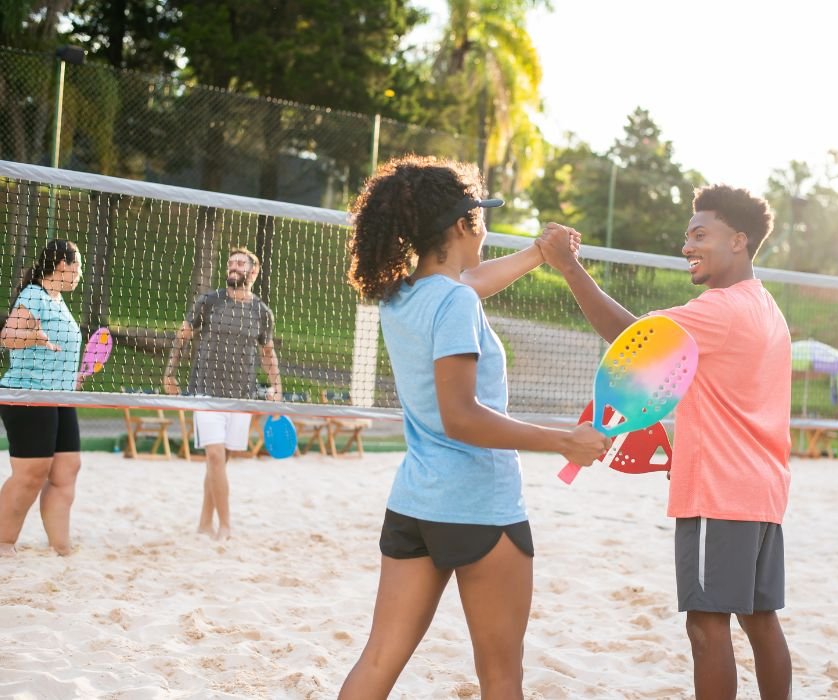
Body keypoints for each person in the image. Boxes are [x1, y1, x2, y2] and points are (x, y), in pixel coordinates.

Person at [338, 155, 610, 700]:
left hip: (416, 503)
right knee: (501, 677)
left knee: (377, 661)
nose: (485, 228)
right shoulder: (455, 301)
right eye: (481, 217)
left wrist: (538, 254)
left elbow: (470, 282)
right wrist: (564, 441)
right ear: (464, 224)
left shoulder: (403, 295)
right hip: (479, 506)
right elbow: (460, 417)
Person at [537, 185, 793, 700]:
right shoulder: (767, 308)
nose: (686, 246)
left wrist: (568, 266)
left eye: (700, 235)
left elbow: (632, 341)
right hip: (763, 492)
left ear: (739, 241)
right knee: (760, 620)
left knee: (705, 625)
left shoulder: (718, 309)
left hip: (717, 492)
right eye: (687, 235)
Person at [162, 247, 281, 541]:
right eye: (230, 263)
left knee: (221, 461)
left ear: (253, 272)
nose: (233, 267)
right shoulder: (209, 301)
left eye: (240, 263)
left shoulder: (261, 312)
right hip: (206, 391)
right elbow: (183, 335)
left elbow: (267, 352)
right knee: (215, 456)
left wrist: (277, 385)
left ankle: (204, 521)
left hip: (240, 395)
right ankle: (225, 525)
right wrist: (169, 373)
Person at [0, 239, 85, 556]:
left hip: (60, 397)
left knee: (67, 469)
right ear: (62, 265)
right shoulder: (33, 295)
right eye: (79, 266)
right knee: (31, 472)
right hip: (28, 393)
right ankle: (3, 543)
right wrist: (32, 336)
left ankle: (60, 547)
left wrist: (68, 375)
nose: (80, 273)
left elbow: (58, 349)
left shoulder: (57, 299)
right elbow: (8, 337)